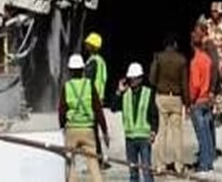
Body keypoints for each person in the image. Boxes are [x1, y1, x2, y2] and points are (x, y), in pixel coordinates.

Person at [59, 53, 109, 181]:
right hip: (88, 130)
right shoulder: (89, 85)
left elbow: (62, 110)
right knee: (93, 163)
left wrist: (62, 127)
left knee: (70, 163)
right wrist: (104, 131)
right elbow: (98, 110)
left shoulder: (67, 86)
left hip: (72, 130)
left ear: (70, 71)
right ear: (82, 70)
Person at [148, 33, 188, 173]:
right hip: (176, 98)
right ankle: (178, 165)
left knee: (161, 132)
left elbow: (152, 79)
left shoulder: (158, 57)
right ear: (175, 45)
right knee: (177, 134)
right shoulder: (181, 60)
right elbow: (184, 83)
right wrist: (187, 102)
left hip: (162, 97)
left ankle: (160, 165)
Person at [116, 62, 159, 182]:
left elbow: (154, 114)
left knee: (146, 171)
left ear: (140, 78)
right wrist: (119, 91)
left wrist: (154, 131)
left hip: (144, 137)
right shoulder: (125, 93)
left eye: (134, 78)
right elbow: (114, 107)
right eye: (131, 79)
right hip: (130, 138)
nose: (132, 81)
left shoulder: (148, 93)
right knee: (133, 172)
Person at [187, 27, 216, 173]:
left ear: (193, 45)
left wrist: (190, 100)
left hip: (198, 101)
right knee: (207, 134)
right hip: (206, 100)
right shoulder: (208, 60)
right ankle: (209, 160)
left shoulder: (195, 62)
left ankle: (204, 164)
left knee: (201, 135)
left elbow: (195, 84)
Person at [83, 32, 110, 168]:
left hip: (93, 98)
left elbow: (88, 81)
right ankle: (99, 159)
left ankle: (98, 160)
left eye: (88, 44)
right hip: (98, 97)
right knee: (94, 130)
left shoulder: (93, 62)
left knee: (92, 130)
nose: (86, 45)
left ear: (93, 46)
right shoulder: (100, 61)